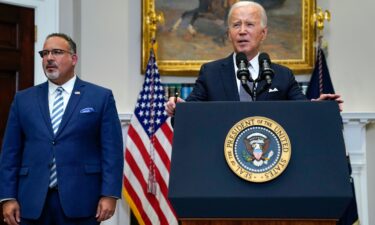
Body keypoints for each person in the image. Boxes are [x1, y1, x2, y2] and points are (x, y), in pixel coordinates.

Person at [0, 33, 124, 225]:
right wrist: (7, 196)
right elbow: (10, 152)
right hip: (31, 201)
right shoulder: (23, 99)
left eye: (57, 52)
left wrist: (110, 194)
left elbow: (112, 151)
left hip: (82, 200)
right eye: (45, 53)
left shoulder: (100, 97)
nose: (49, 58)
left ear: (73, 59)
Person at [166, 1, 343, 116]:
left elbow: (302, 111)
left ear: (263, 33)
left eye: (250, 24)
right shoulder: (210, 72)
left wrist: (319, 107)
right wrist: (178, 108)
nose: (242, 31)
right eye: (236, 25)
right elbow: (190, 113)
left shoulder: (282, 75)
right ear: (229, 34)